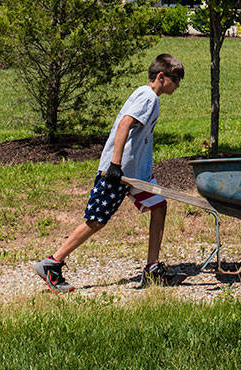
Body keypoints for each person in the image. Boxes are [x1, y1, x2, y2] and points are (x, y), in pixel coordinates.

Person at [32, 53, 185, 291]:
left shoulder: (147, 96)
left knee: (159, 205)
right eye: (176, 80)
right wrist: (114, 165)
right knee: (96, 221)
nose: (178, 86)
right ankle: (52, 263)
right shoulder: (148, 98)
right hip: (119, 173)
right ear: (161, 76)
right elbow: (124, 124)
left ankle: (152, 269)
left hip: (135, 175)